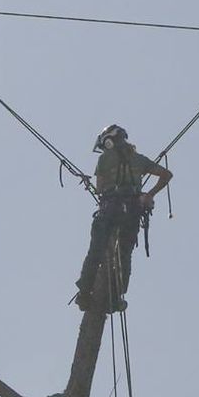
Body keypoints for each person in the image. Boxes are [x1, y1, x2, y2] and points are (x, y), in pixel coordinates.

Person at [73, 124, 171, 314]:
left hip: (109, 211)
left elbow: (100, 188)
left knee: (96, 251)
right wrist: (148, 195)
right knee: (124, 256)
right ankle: (116, 298)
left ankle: (84, 293)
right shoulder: (139, 159)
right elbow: (167, 175)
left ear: (108, 142)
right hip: (131, 214)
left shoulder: (104, 158)